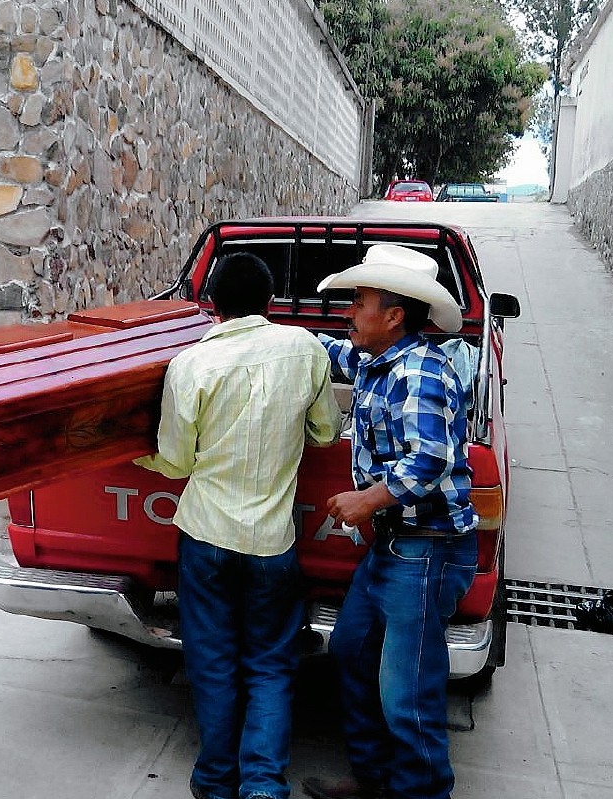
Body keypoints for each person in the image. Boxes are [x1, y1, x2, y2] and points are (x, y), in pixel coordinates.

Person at [135, 252, 342, 799]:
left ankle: (214, 780)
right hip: (272, 544)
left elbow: (176, 463)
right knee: (272, 664)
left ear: (212, 306)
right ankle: (263, 788)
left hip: (205, 537)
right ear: (270, 302)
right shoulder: (305, 349)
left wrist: (138, 457)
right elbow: (324, 434)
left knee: (213, 662)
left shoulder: (191, 364)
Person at [303, 244, 478, 799]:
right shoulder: (378, 361)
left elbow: (429, 459)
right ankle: (376, 779)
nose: (350, 311)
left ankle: (420, 791)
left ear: (395, 315)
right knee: (353, 649)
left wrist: (368, 499)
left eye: (359, 301)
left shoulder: (422, 372)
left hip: (427, 549)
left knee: (408, 689)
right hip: (395, 547)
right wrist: (259, 329)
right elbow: (330, 351)